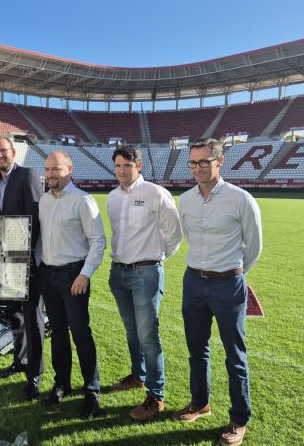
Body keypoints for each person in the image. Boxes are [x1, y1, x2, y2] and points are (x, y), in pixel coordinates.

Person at [173, 138, 262, 446]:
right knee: (197, 350)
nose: (197, 168)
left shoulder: (241, 199)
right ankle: (200, 403)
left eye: (204, 162)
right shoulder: (185, 200)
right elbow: (188, 238)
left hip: (228, 284)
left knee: (234, 355)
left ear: (219, 162)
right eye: (193, 163)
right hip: (194, 282)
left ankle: (239, 419)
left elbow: (254, 246)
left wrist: (234, 273)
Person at [107, 145, 182, 421]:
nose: (121, 170)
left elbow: (174, 237)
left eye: (126, 165)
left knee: (148, 335)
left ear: (138, 166)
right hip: (119, 273)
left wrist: (154, 261)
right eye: (117, 166)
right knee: (131, 330)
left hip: (146, 274)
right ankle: (138, 376)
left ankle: (156, 396)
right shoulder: (113, 197)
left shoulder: (155, 193)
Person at [38, 150, 106, 419]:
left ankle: (92, 390)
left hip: (73, 276)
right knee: (58, 332)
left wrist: (85, 274)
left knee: (80, 333)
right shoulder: (44, 200)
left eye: (56, 169)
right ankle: (62, 383)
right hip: (48, 275)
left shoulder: (82, 201)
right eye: (47, 169)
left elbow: (98, 241)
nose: (51, 174)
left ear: (69, 169)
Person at [0, 135, 45, 401]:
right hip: (7, 261)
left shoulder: (28, 175)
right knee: (15, 316)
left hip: (28, 261)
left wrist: (23, 255)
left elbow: (35, 218)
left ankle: (35, 373)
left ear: (12, 152)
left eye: (3, 150)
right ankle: (20, 361)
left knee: (32, 318)